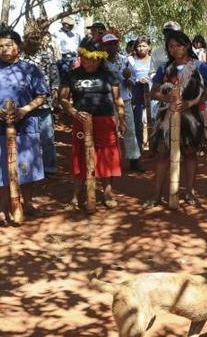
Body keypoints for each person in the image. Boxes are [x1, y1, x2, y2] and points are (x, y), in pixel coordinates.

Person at [146, 30, 207, 206]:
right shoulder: (164, 68)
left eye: (179, 45)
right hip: (167, 116)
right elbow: (154, 92)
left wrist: (191, 103)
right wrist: (167, 99)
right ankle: (157, 194)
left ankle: (190, 192)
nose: (175, 49)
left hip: (192, 116)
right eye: (171, 46)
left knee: (190, 153)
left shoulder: (200, 67)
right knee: (162, 153)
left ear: (186, 46)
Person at [59, 36, 126, 209]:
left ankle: (107, 192)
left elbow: (118, 99)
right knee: (80, 156)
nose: (92, 63)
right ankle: (76, 195)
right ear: (81, 56)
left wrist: (122, 119)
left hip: (105, 120)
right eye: (88, 59)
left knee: (107, 155)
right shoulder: (71, 75)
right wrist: (74, 112)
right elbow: (63, 99)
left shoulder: (109, 74)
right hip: (81, 121)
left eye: (96, 59)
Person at [0, 29, 48, 223]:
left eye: (8, 45)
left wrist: (24, 110)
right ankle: (3, 208)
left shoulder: (30, 69)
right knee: (2, 169)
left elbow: (42, 95)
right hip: (0, 127)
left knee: (26, 167)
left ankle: (27, 203)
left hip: (26, 125)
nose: (3, 49)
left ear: (18, 47)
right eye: (0, 46)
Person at [102, 33, 143, 172]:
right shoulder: (100, 62)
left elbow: (133, 79)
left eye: (113, 43)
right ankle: (111, 160)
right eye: (108, 44)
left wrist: (127, 79)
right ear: (103, 46)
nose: (111, 47)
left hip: (124, 99)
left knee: (129, 129)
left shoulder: (125, 61)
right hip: (106, 101)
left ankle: (134, 159)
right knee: (109, 131)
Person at [22, 27, 60, 177]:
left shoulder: (47, 56)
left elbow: (54, 78)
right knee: (28, 137)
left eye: (36, 38)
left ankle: (49, 167)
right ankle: (29, 169)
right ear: (25, 38)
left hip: (44, 103)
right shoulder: (20, 58)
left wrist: (55, 97)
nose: (33, 41)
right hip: (25, 105)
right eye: (30, 38)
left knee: (47, 137)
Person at [129, 35, 153, 153]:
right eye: (139, 46)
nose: (141, 48)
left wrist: (149, 79)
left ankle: (153, 146)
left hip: (151, 95)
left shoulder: (153, 60)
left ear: (149, 47)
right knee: (137, 122)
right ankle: (138, 147)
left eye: (144, 46)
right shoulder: (131, 60)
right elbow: (128, 77)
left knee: (152, 120)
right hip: (136, 94)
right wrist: (136, 81)